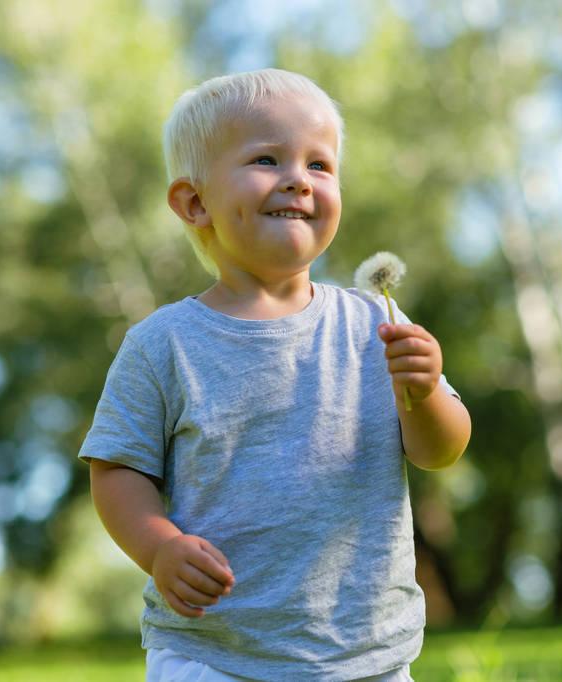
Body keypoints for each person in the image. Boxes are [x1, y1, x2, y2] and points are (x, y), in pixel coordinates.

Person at [78, 68, 472, 681]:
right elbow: (118, 470)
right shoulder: (163, 344)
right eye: (267, 158)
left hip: (366, 652)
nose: (298, 179)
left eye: (320, 165)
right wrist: (159, 548)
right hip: (212, 650)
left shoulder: (376, 324)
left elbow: (438, 452)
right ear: (194, 201)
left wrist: (423, 393)